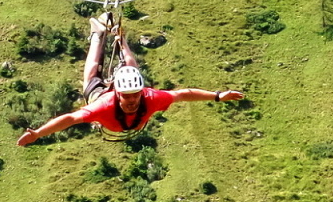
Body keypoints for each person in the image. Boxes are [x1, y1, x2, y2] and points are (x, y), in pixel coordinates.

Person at [16, 12, 244, 146]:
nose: (133, 100)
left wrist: (217, 96)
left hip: (118, 109)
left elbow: (183, 94)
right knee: (92, 73)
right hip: (102, 99)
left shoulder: (149, 97)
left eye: (135, 94)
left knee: (131, 66)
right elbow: (69, 119)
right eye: (128, 97)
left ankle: (120, 39)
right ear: (117, 93)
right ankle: (97, 33)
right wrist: (38, 133)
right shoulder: (103, 106)